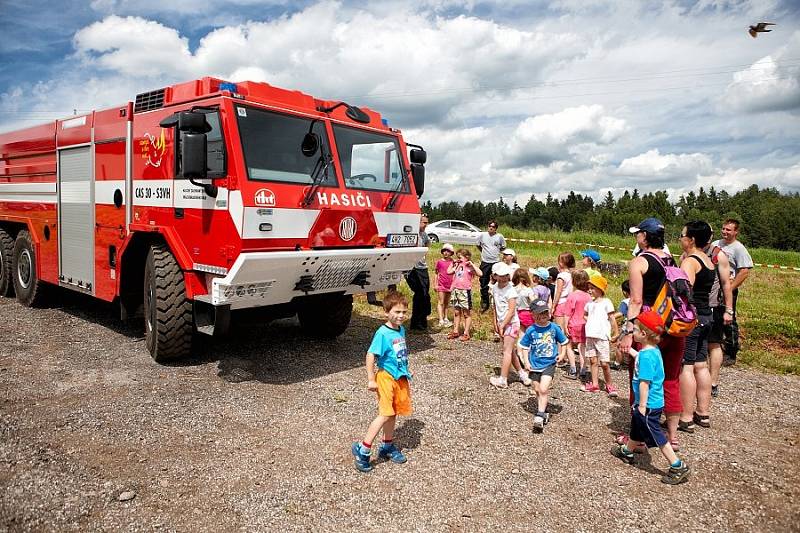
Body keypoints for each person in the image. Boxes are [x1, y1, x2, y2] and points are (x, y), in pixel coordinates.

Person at [618, 217, 685, 451]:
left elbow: (636, 300)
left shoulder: (639, 262)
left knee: (640, 378)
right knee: (670, 379)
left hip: (647, 326)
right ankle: (672, 436)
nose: (637, 237)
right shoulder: (671, 259)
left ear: (644, 237)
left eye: (638, 234)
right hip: (673, 324)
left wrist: (627, 332)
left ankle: (639, 437)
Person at [611, 309, 690, 485]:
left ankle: (677, 465)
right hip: (654, 402)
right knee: (637, 428)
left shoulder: (647, 356)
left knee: (655, 434)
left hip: (648, 404)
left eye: (636, 331)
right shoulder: (652, 351)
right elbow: (640, 358)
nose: (634, 333)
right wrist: (629, 350)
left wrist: (641, 405)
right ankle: (627, 451)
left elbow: (644, 383)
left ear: (644, 334)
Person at [351, 291, 412, 473]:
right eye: (397, 312)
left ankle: (387, 445)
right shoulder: (382, 333)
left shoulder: (400, 329)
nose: (400, 316)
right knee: (385, 413)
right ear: (386, 312)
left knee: (393, 414)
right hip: (385, 377)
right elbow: (371, 355)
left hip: (399, 377)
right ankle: (363, 449)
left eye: (403, 312)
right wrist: (371, 379)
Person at [678, 221, 715, 432]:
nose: (681, 239)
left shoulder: (690, 262)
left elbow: (685, 291)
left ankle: (685, 416)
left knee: (687, 366)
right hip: (706, 316)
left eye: (682, 235)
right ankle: (703, 412)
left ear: (691, 239)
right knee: (701, 365)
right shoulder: (709, 260)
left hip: (692, 319)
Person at [518, 299, 569, 432]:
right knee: (536, 388)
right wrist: (526, 361)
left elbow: (564, 342)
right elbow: (524, 347)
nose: (543, 316)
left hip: (549, 363)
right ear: (533, 315)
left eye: (545, 313)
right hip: (534, 364)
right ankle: (544, 410)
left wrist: (562, 354)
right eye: (540, 314)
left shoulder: (554, 328)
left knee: (544, 389)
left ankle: (539, 416)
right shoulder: (531, 330)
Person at [712, 218, 754, 366]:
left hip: (728, 288)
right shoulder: (716, 244)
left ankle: (731, 351)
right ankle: (715, 347)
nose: (724, 232)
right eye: (723, 229)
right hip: (715, 288)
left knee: (728, 320)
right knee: (715, 317)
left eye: (728, 230)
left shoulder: (738, 248)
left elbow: (744, 271)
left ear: (736, 232)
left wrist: (730, 289)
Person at [489, 263, 529, 388]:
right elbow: (494, 306)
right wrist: (496, 322)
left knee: (506, 351)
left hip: (511, 324)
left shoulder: (511, 290)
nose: (504, 278)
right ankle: (522, 375)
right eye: (501, 275)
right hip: (502, 323)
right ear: (495, 276)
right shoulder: (494, 288)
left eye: (506, 275)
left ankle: (503, 379)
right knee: (510, 351)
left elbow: (511, 311)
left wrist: (502, 325)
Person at [703, 235, 734, 398]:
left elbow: (726, 283)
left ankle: (713, 382)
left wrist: (729, 309)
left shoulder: (718, 255)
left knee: (714, 344)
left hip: (714, 306)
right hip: (694, 307)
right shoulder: (688, 253)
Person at [582, 274, 619, 396]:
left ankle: (609, 384)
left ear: (600, 289)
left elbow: (612, 318)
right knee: (592, 360)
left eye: (593, 288)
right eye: (589, 287)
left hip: (602, 336)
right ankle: (595, 384)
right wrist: (590, 322)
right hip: (590, 335)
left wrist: (616, 332)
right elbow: (585, 314)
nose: (590, 290)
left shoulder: (606, 302)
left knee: (604, 362)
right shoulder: (589, 304)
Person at [447, 248, 481, 341]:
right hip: (456, 290)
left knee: (466, 313)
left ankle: (466, 333)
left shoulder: (469, 266)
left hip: (465, 291)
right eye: (457, 257)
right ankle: (455, 331)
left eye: (460, 257)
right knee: (456, 312)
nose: (458, 258)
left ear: (467, 257)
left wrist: (472, 265)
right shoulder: (457, 265)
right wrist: (453, 263)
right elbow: (448, 271)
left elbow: (480, 273)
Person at [405, 214, 431, 331]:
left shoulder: (424, 235)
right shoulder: (412, 234)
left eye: (427, 223)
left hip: (422, 267)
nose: (426, 225)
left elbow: (427, 245)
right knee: (420, 293)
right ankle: (416, 322)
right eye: (424, 222)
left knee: (425, 294)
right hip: (412, 268)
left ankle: (422, 320)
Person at [564, 269, 591, 381]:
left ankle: (573, 369)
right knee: (582, 347)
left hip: (573, 324)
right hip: (585, 324)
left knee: (569, 345)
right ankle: (583, 369)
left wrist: (565, 325)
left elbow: (567, 312)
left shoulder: (572, 295)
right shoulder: (589, 296)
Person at [551, 252, 575, 372]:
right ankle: (565, 355)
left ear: (561, 262)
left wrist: (553, 306)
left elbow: (558, 292)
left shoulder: (561, 277)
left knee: (559, 331)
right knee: (565, 330)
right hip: (569, 304)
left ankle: (560, 356)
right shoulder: (571, 275)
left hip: (561, 304)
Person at [476, 220, 506, 313]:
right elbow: (478, 245)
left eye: (493, 227)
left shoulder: (500, 237)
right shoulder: (482, 235)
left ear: (496, 228)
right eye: (490, 226)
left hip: (495, 262)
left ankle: (498, 302)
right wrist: (484, 252)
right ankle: (485, 302)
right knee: (483, 282)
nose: (491, 228)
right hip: (485, 262)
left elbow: (503, 247)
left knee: (498, 282)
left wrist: (496, 252)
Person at [611, 280, 631, 370]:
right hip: (638, 328)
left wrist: (610, 317)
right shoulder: (641, 299)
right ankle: (630, 363)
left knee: (619, 345)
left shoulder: (626, 301)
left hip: (627, 328)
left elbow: (620, 313)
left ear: (624, 292)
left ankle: (617, 363)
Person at [435, 243, 455, 327]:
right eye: (444, 251)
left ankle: (446, 317)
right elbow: (436, 273)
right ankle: (440, 319)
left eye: (448, 251)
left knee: (447, 302)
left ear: (451, 253)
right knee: (441, 302)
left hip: (450, 285)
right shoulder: (439, 262)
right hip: (441, 284)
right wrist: (435, 284)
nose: (446, 253)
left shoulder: (453, 262)